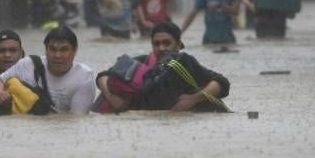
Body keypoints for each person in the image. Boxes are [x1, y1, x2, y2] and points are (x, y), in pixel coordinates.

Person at [96, 22, 230, 113]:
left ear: (178, 44)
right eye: (156, 44)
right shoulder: (143, 62)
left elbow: (222, 82)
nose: (161, 48)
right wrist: (111, 96)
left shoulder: (185, 63)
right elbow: (103, 75)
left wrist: (192, 100)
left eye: (167, 43)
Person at [0, 26, 97, 115]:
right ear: (45, 50)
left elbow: (75, 120)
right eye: (52, 49)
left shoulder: (84, 77)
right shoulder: (29, 64)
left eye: (64, 50)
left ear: (74, 51)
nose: (57, 55)